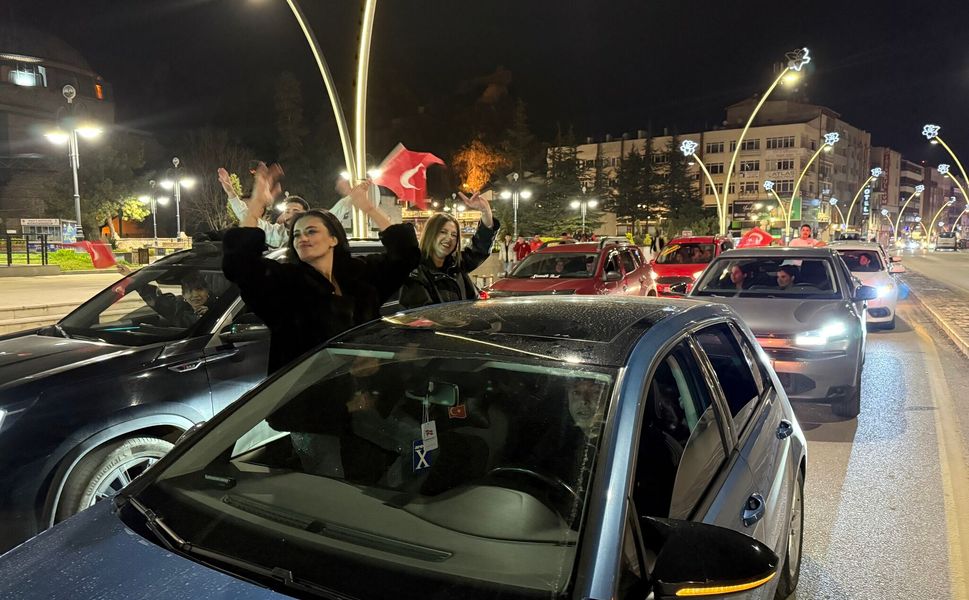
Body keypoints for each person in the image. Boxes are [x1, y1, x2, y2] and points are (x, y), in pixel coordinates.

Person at [222, 165, 420, 374]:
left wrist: (369, 209)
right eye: (296, 235)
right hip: (307, 396)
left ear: (333, 239)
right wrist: (256, 206)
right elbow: (240, 263)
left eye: (311, 231)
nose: (302, 238)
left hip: (368, 393)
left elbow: (406, 256)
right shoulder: (287, 283)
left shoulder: (360, 275)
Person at [399, 192, 499, 308]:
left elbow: (480, 248)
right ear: (430, 234)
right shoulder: (414, 272)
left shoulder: (456, 264)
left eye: (454, 235)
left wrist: (486, 211)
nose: (449, 239)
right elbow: (422, 318)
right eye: (443, 232)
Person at [219, 166, 308, 249]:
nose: (291, 214)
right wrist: (231, 192)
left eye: (296, 211)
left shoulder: (315, 234)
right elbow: (249, 220)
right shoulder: (277, 233)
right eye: (287, 211)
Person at [118, 265, 216, 328]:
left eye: (199, 289)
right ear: (183, 294)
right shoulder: (176, 307)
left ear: (207, 291)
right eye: (188, 290)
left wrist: (210, 317)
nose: (194, 295)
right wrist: (132, 277)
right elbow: (153, 297)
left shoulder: (221, 307)